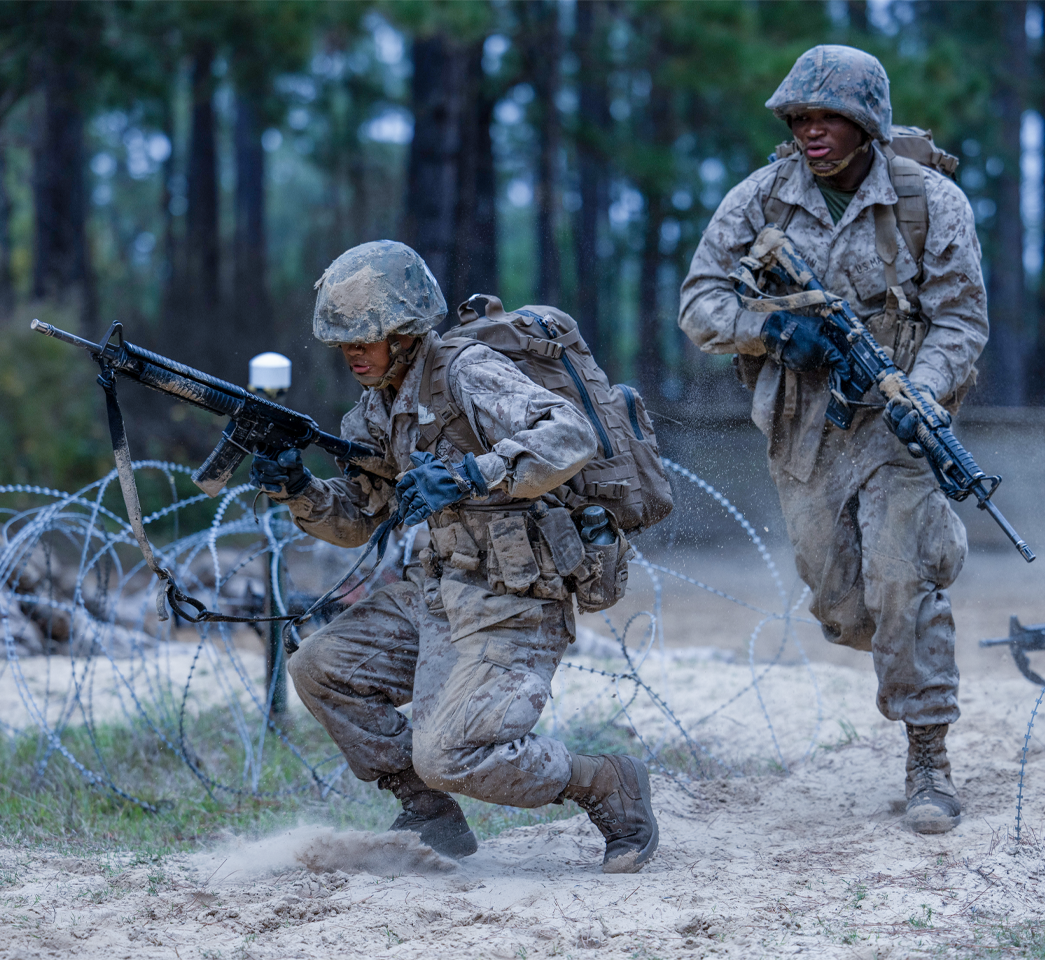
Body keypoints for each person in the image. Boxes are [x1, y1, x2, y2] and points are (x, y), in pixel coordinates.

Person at [250, 240, 659, 873]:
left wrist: (474, 474)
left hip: (516, 601)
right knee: (319, 667)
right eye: (345, 341)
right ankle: (428, 809)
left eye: (370, 336)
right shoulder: (374, 410)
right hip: (436, 593)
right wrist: (298, 490)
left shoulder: (468, 371)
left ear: (408, 330)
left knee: (451, 754)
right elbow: (362, 517)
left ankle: (605, 783)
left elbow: (571, 432)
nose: (355, 352)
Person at [678, 45, 988, 834]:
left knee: (903, 576)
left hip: (900, 426)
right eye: (802, 118)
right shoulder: (758, 201)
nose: (814, 132)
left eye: (831, 118)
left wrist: (922, 390)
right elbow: (699, 304)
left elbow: (961, 319)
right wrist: (775, 331)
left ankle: (928, 759)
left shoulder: (929, 202)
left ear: (866, 124)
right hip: (804, 428)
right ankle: (898, 619)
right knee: (842, 605)